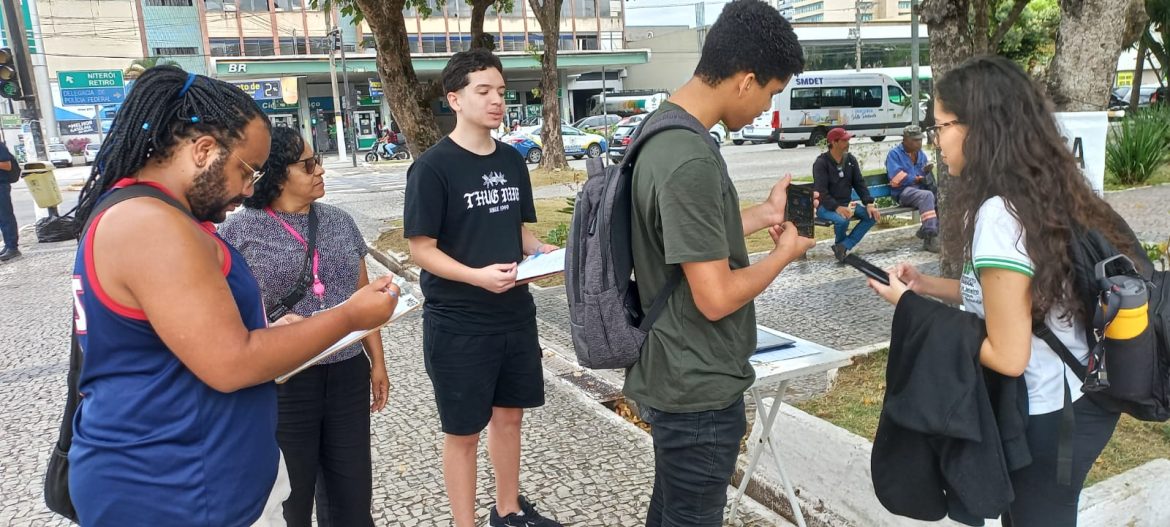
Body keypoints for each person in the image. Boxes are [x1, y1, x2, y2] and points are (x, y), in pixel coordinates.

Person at [68, 66, 399, 526]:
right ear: (204, 150)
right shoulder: (151, 225)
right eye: (247, 169)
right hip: (176, 488)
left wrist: (267, 330)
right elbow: (232, 363)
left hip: (197, 475)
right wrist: (349, 316)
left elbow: (189, 341)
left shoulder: (153, 214)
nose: (249, 189)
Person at [867, 55, 1129, 527]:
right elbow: (1006, 299)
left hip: (1051, 413)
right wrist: (926, 286)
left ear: (979, 128)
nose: (936, 141)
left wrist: (911, 309)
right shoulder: (1036, 194)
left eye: (941, 126)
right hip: (1079, 395)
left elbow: (1008, 354)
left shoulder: (998, 216)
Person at [624, 1, 813, 524]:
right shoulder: (689, 159)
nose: (765, 109)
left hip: (673, 371)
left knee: (668, 513)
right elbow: (715, 296)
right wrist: (783, 254)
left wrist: (765, 214)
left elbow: (685, 237)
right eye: (772, 93)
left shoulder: (663, 130)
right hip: (698, 389)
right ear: (746, 81)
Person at [403, 50, 562, 527]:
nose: (497, 101)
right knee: (463, 431)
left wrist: (545, 254)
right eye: (484, 91)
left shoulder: (513, 160)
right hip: (459, 321)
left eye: (501, 91)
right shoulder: (433, 168)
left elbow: (519, 231)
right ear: (455, 98)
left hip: (514, 313)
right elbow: (421, 248)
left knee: (510, 417)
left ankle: (508, 510)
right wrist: (476, 277)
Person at [219, 126, 388, 527]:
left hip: (346, 371)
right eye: (308, 164)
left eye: (319, 162)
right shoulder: (238, 233)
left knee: (352, 494)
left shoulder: (340, 222)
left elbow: (360, 295)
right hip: (284, 380)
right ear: (276, 174)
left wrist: (376, 362)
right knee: (291, 499)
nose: (320, 170)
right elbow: (229, 314)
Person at [814, 127, 881, 261]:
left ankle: (843, 246)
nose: (848, 142)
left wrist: (869, 203)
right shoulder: (821, 163)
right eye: (845, 140)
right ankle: (841, 248)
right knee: (842, 220)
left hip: (847, 204)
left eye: (848, 139)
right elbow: (821, 192)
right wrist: (837, 208)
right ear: (834, 142)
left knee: (871, 216)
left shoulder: (850, 160)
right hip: (826, 207)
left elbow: (859, 183)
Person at [885, 125, 939, 252]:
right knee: (927, 196)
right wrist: (916, 178)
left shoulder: (921, 155)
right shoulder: (894, 154)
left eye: (920, 139)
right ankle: (931, 234)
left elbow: (924, 177)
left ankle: (928, 231)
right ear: (905, 140)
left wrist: (926, 173)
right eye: (915, 140)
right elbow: (896, 177)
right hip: (903, 192)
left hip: (920, 191)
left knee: (940, 196)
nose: (919, 143)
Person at [0, 138, 18, 261]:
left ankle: (12, 247)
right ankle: (8, 245)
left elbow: (7, 165)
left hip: (1, 185)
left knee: (6, 217)